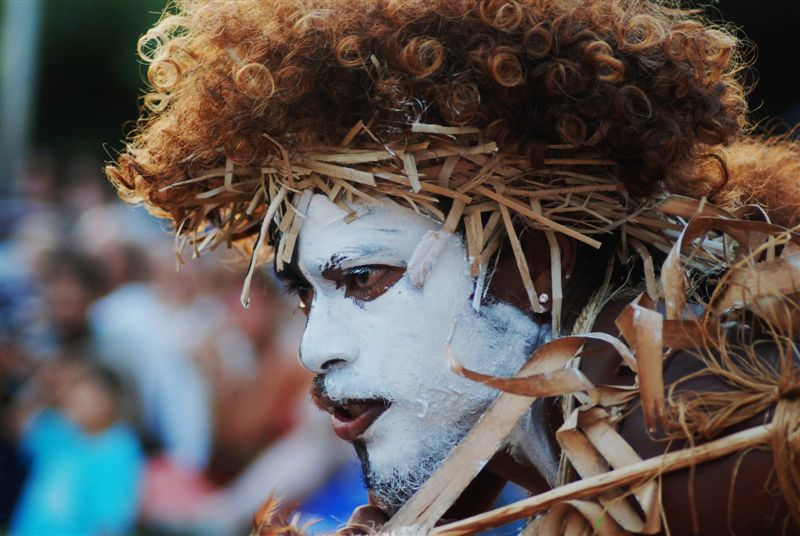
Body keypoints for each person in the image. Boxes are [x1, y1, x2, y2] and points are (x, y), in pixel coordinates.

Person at [106, 0, 799, 533]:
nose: (315, 347)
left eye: (363, 279)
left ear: (536, 260)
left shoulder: (699, 441)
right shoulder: (538, 403)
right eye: (307, 294)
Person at [8, 360, 144, 535]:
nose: (76, 401)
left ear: (111, 401)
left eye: (87, 396)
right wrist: (45, 387)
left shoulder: (118, 446)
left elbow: (111, 519)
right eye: (73, 394)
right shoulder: (56, 431)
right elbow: (18, 424)